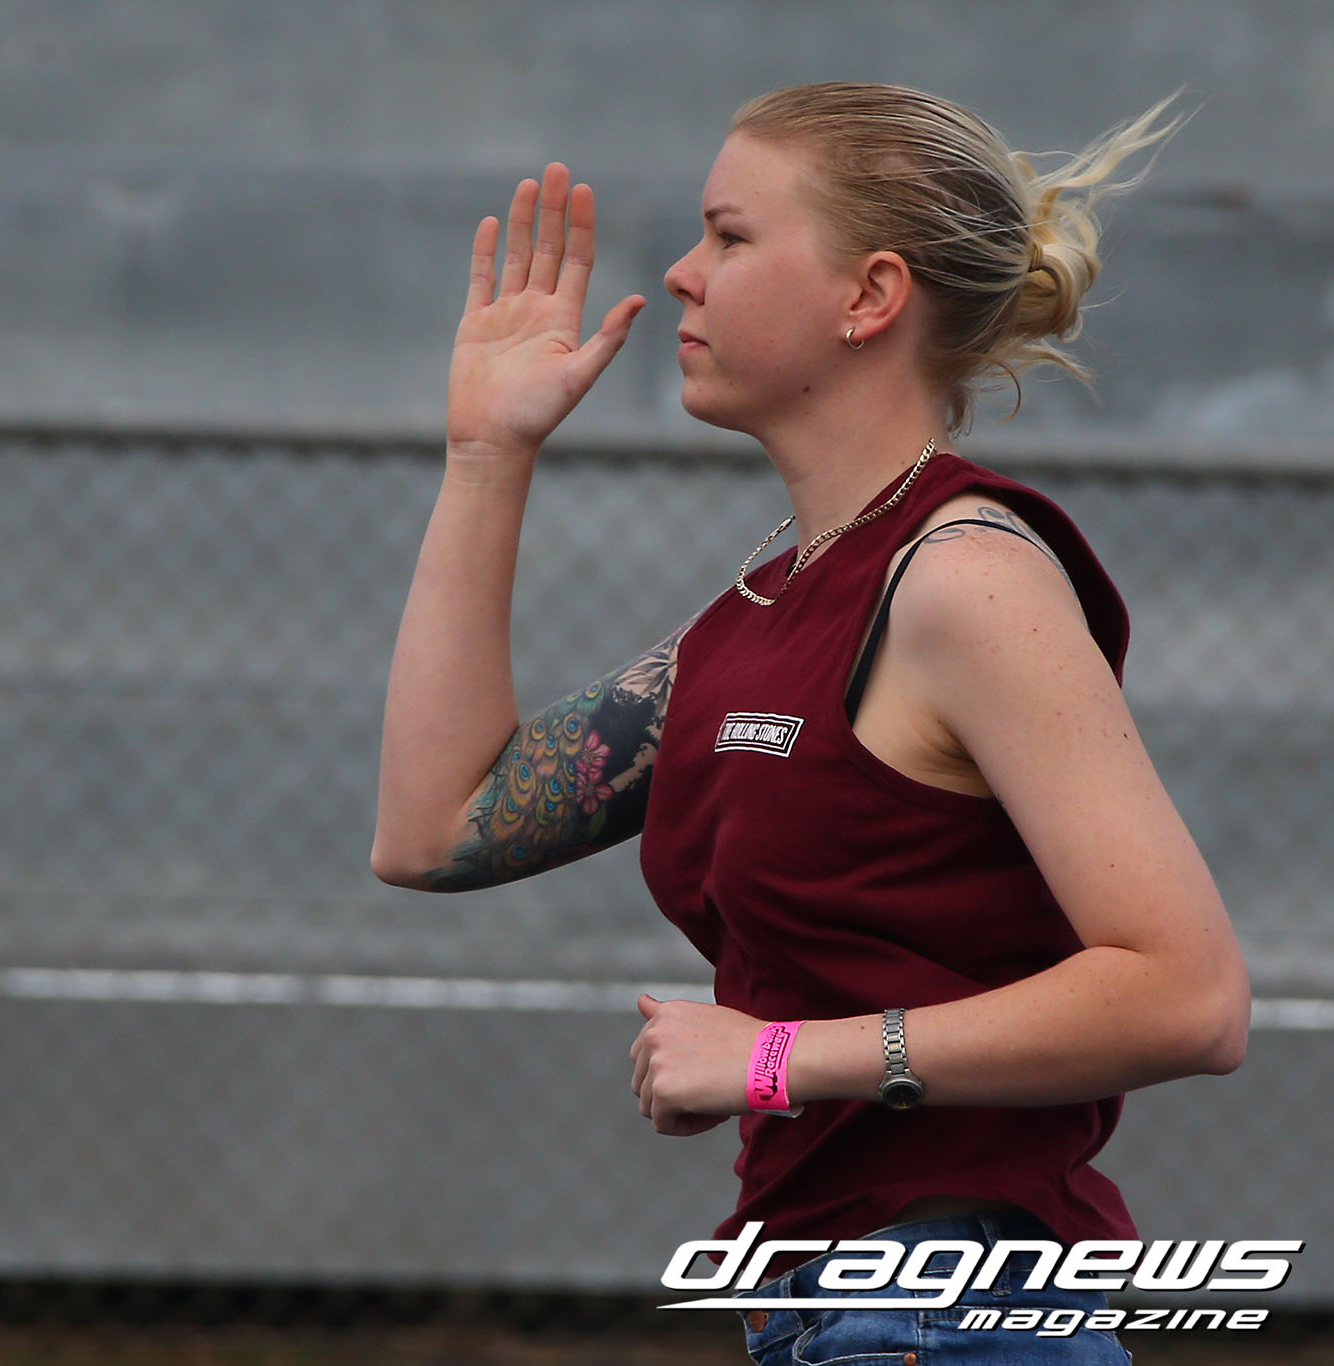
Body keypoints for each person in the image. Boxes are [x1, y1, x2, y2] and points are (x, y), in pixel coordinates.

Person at [369, 81, 1249, 1364]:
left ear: (868, 296)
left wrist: (779, 1057)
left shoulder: (964, 577)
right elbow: (433, 829)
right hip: (829, 1306)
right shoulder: (762, 609)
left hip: (954, 1307)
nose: (680, 273)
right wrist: (484, 456)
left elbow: (1187, 996)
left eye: (728, 236)